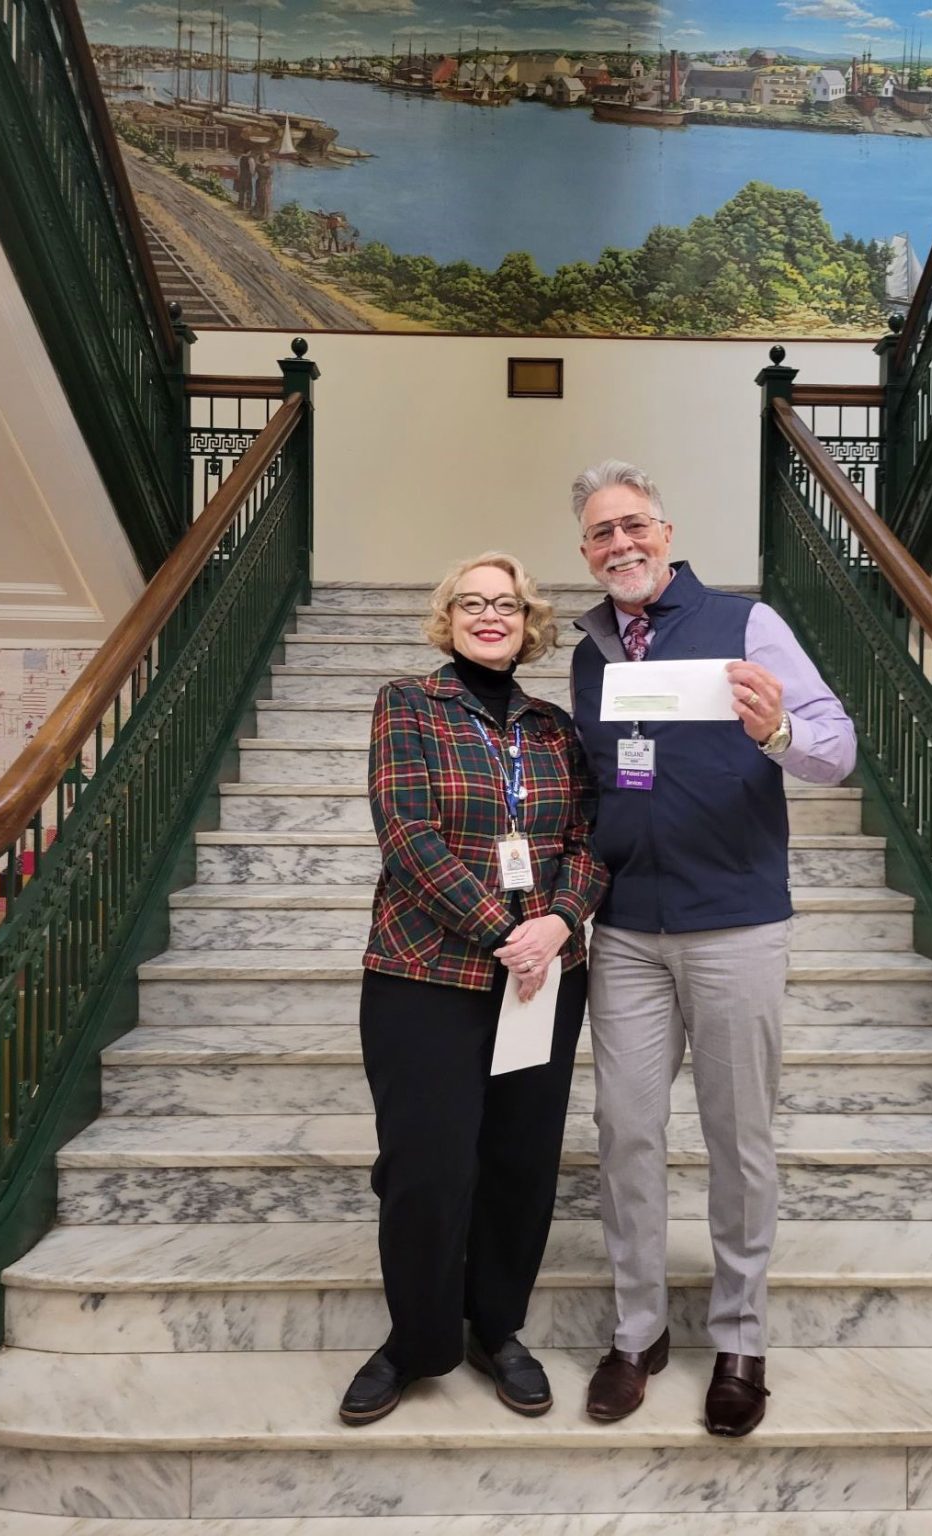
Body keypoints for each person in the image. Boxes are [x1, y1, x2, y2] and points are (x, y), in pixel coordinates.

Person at [568, 460, 856, 1438]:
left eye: (633, 525)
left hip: (735, 922)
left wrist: (777, 731)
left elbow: (836, 747)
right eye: (601, 532)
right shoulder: (591, 654)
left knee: (738, 1139)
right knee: (626, 1133)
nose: (620, 544)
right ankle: (638, 1332)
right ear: (586, 552)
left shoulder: (747, 622)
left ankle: (739, 1340)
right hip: (628, 933)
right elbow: (608, 783)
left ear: (666, 531)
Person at [339, 552, 608, 1427]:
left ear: (528, 623)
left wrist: (558, 922)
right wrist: (502, 931)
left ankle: (499, 1326)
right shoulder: (408, 704)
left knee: (520, 1163)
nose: (489, 615)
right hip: (425, 973)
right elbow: (407, 833)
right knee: (426, 1166)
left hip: (542, 979)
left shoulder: (555, 728)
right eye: (471, 602)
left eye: (507, 604)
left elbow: (590, 840)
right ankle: (416, 1340)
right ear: (448, 617)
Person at [252, 152, 272, 219]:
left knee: (259, 197)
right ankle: (265, 214)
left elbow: (253, 174)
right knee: (266, 198)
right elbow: (269, 176)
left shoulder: (258, 166)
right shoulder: (269, 168)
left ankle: (257, 212)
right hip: (266, 183)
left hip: (259, 182)